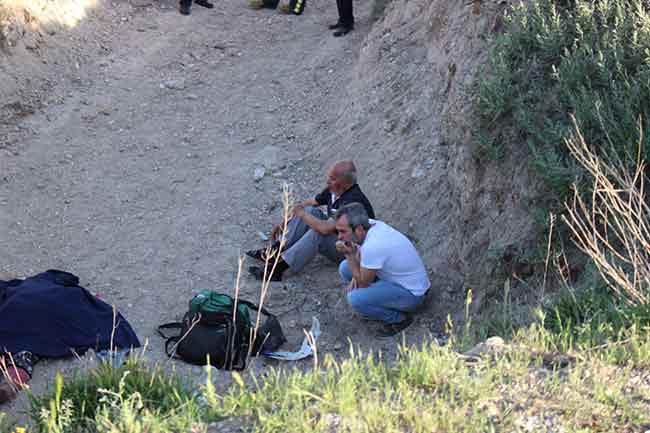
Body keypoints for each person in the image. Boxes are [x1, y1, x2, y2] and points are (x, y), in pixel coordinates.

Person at [247, 160, 375, 282]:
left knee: (318, 234)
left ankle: (279, 269)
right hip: (340, 236)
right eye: (329, 177)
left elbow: (325, 229)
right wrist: (286, 221)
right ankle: (277, 250)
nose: (328, 181)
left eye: (333, 179)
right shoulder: (335, 190)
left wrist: (301, 214)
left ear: (346, 183)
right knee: (310, 211)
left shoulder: (352, 199)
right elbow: (308, 204)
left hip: (354, 252)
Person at [334, 203, 430, 336]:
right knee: (345, 268)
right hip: (398, 280)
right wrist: (355, 271)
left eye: (343, 231)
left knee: (355, 299)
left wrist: (349, 255)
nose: (339, 237)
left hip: (413, 295)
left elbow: (363, 282)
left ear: (359, 229)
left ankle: (398, 320)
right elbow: (360, 255)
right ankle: (377, 296)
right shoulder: (371, 225)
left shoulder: (373, 246)